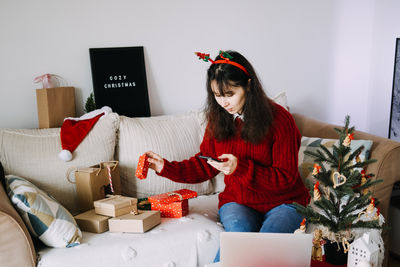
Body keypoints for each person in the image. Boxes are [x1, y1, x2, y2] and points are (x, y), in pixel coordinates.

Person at [145, 50, 310, 263]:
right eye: (217, 95)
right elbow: (205, 164)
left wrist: (239, 168)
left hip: (284, 201)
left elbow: (285, 178)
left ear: (248, 86)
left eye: (230, 94)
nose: (223, 102)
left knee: (267, 246)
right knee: (237, 240)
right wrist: (165, 167)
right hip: (239, 201)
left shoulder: (280, 120)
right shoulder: (219, 119)